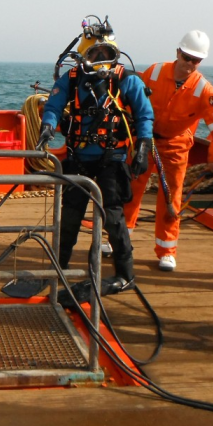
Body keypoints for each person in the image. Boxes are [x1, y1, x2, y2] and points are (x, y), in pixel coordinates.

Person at [37, 16, 154, 298]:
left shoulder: (127, 81)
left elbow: (144, 115)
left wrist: (143, 146)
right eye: (95, 53)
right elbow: (53, 105)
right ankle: (59, 267)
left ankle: (125, 274)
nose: (102, 59)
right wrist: (48, 126)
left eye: (107, 54)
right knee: (71, 215)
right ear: (84, 56)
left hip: (112, 159)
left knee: (114, 217)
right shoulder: (72, 80)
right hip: (79, 158)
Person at [123, 30, 213, 271]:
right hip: (144, 139)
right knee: (130, 188)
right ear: (178, 53)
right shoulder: (154, 71)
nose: (190, 65)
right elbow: (130, 99)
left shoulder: (204, 90)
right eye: (187, 58)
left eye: (196, 61)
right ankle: (120, 239)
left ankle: (167, 250)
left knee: (171, 199)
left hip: (176, 146)